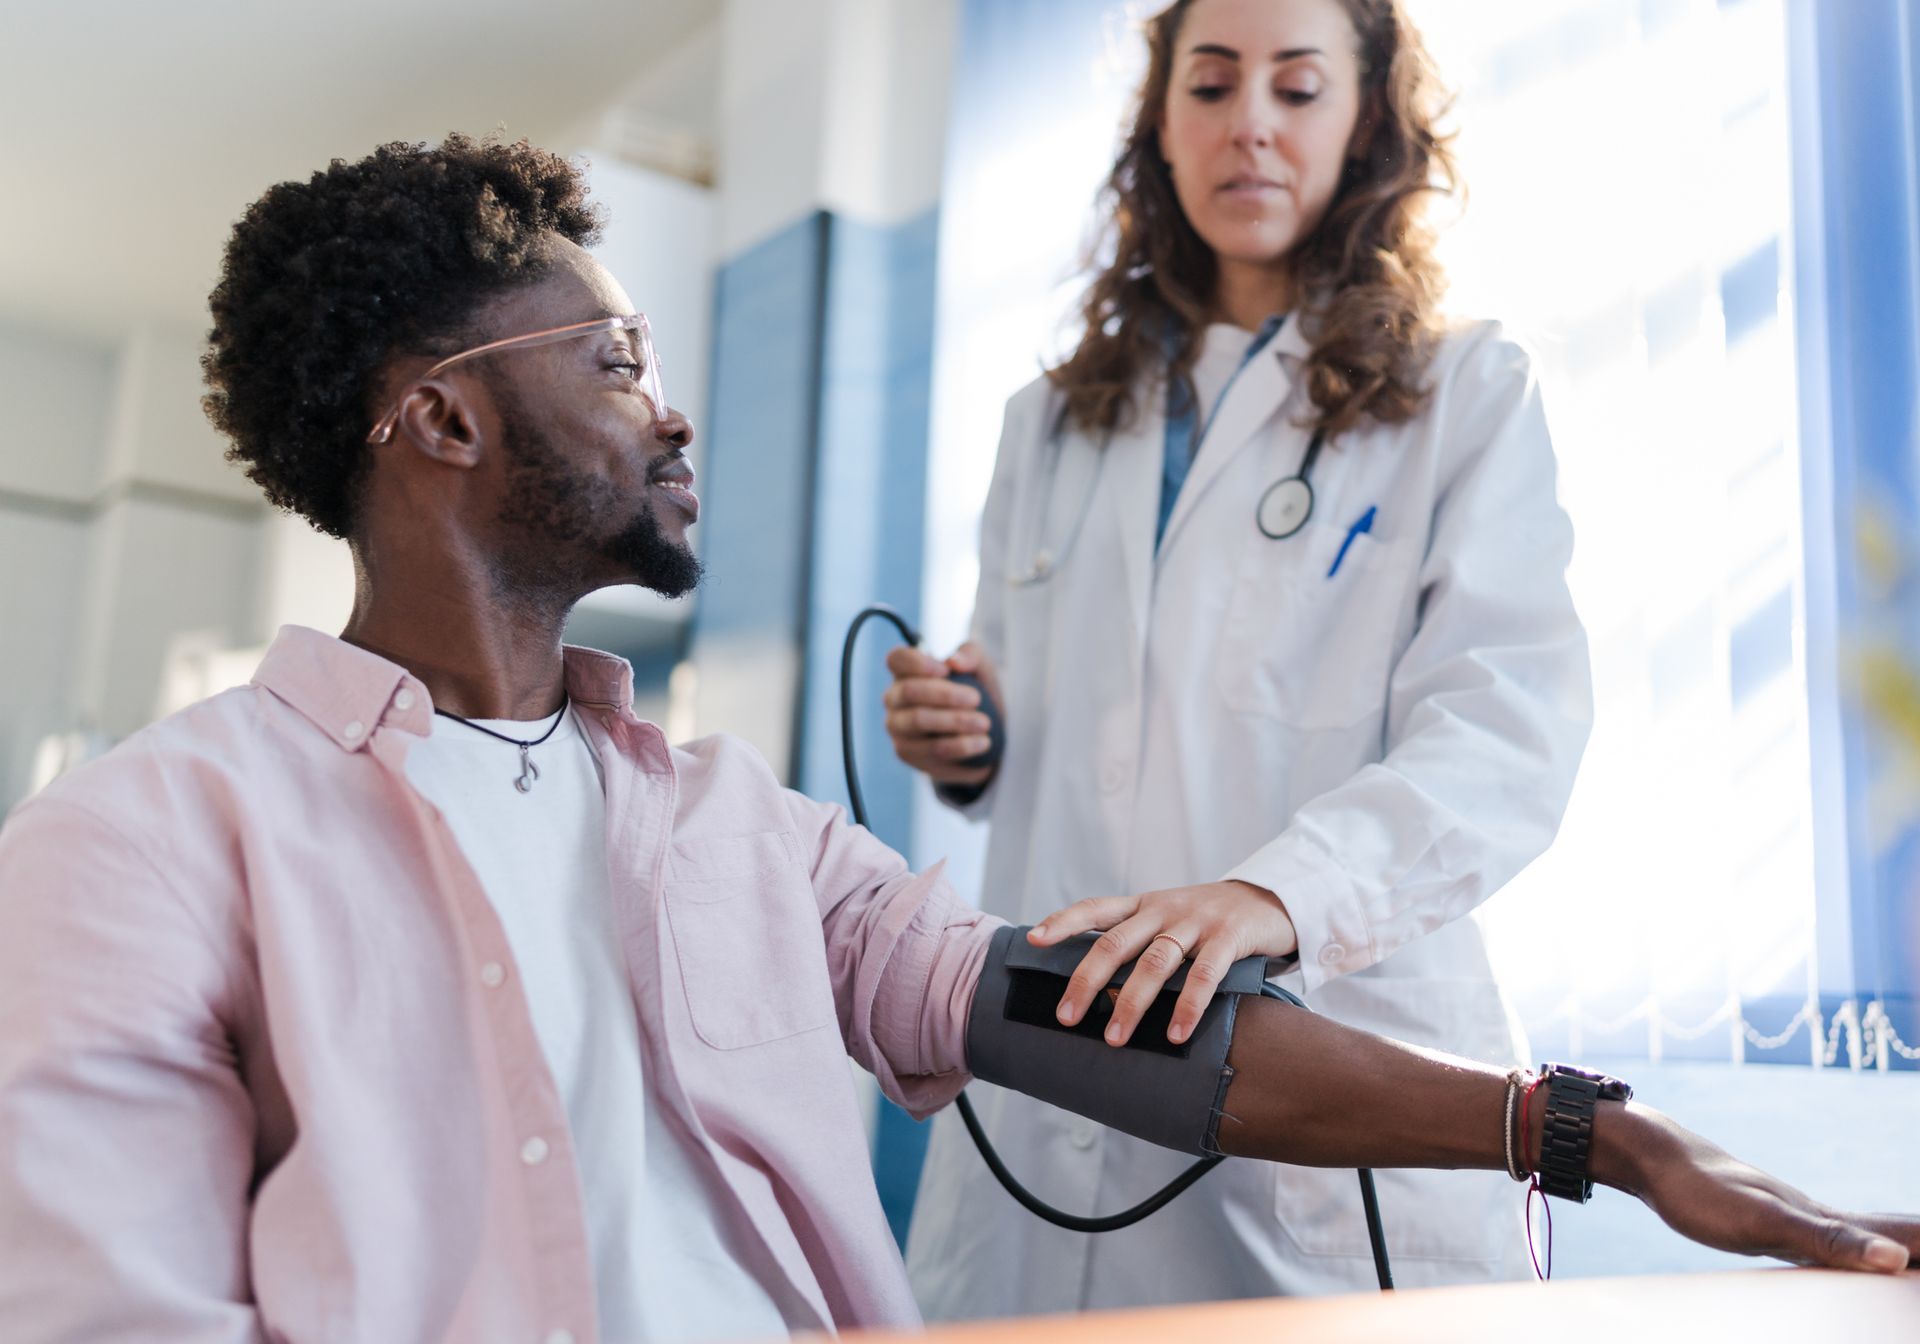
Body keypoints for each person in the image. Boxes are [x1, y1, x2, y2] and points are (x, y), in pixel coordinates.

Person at [0, 135, 1912, 1344]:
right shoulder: (143, 843)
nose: (672, 417)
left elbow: (1115, 1022)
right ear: (439, 423)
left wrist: (1599, 1134)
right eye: (617, 362)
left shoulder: (738, 831)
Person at [887, 0, 1593, 1313]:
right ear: (1160, 123)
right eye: (1211, 85)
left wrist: (1279, 896)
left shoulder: (1466, 394)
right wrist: (969, 732)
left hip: (1317, 1083)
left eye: (1297, 86)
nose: (1250, 124)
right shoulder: (1044, 427)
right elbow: (1043, 714)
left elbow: (1507, 731)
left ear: (1367, 121)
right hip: (1057, 1090)